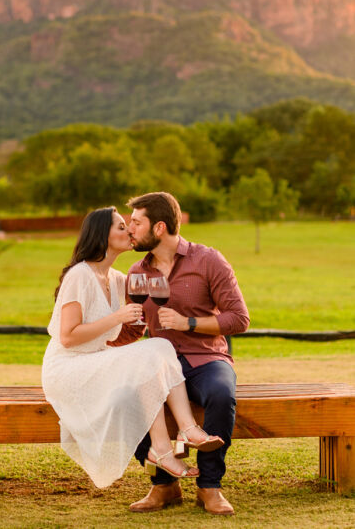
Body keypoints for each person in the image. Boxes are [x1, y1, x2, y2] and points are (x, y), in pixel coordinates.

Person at [41, 206, 223, 490]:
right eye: (121, 226)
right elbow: (68, 337)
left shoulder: (119, 279)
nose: (129, 231)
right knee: (156, 349)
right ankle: (174, 440)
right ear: (103, 235)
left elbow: (131, 328)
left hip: (96, 361)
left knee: (158, 347)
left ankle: (172, 441)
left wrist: (158, 318)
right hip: (68, 368)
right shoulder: (80, 276)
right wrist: (116, 317)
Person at [109, 192, 249, 515]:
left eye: (136, 223)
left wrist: (190, 323)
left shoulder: (209, 260)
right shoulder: (137, 272)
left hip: (206, 358)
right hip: (159, 364)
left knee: (220, 394)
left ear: (159, 228)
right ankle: (164, 485)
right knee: (125, 399)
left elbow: (239, 318)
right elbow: (134, 330)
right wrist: (103, 346)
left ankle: (209, 487)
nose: (130, 229)